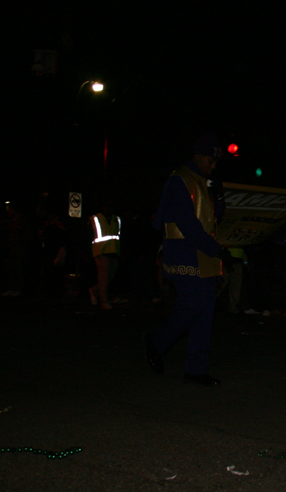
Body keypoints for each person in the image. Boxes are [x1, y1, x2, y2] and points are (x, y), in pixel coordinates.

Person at [145, 133, 228, 386]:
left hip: (203, 253)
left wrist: (220, 198)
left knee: (205, 310)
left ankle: (196, 369)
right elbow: (187, 224)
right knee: (193, 305)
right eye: (211, 162)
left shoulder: (202, 181)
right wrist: (214, 249)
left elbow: (214, 219)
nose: (213, 167)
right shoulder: (180, 180)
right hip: (186, 252)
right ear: (201, 157)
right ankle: (156, 342)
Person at [88, 198, 125, 310]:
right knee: (104, 276)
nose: (107, 209)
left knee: (109, 277)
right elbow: (89, 235)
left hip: (114, 251)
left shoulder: (116, 219)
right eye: (105, 206)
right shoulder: (95, 219)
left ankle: (94, 291)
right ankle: (104, 301)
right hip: (101, 251)